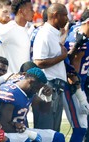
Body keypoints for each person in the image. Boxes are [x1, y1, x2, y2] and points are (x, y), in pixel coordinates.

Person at [32, 3, 69, 132]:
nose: (67, 19)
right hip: (48, 86)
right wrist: (62, 57)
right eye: (64, 15)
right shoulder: (44, 34)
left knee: (54, 133)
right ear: (55, 15)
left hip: (56, 87)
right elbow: (38, 62)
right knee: (45, 132)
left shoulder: (54, 33)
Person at [62, 9, 89, 142]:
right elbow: (72, 68)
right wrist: (80, 94)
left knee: (82, 127)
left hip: (82, 85)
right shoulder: (79, 38)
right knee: (80, 127)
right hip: (72, 87)